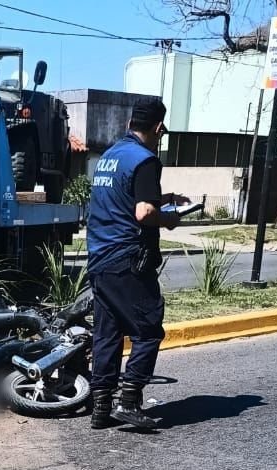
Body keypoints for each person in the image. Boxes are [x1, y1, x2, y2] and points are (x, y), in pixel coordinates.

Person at [86, 98, 180, 430]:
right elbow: (143, 213)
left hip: (99, 260)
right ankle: (128, 401)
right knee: (148, 329)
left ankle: (100, 407)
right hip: (127, 259)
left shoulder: (109, 157)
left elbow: (120, 199)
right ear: (158, 128)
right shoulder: (146, 160)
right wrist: (168, 218)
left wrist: (162, 199)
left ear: (130, 124)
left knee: (107, 334)